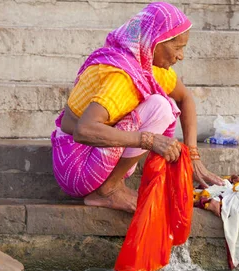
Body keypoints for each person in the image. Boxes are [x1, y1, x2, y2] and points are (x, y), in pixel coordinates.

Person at [51, 1, 223, 213]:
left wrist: (193, 158)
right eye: (177, 47)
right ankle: (108, 190)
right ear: (155, 42)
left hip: (98, 156)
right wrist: (148, 140)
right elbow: (82, 130)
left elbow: (185, 98)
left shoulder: (148, 67)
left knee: (163, 104)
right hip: (76, 167)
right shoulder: (121, 75)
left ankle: (111, 185)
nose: (181, 56)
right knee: (161, 106)